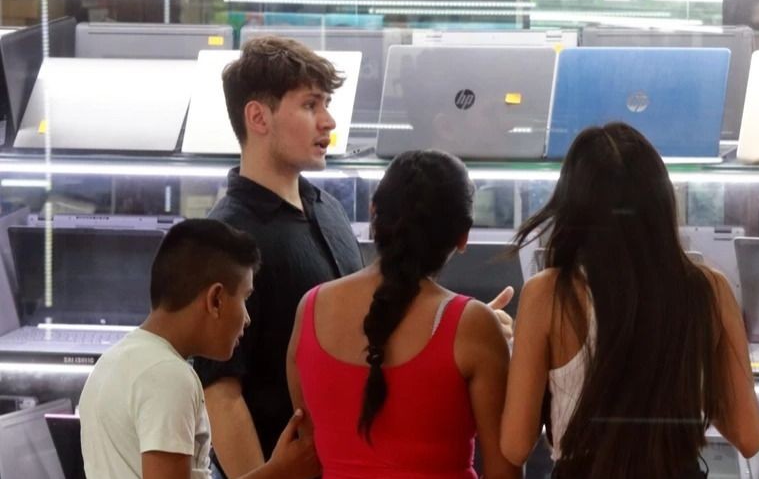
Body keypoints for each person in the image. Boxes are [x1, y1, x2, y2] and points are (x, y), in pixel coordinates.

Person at [500, 122, 759, 478]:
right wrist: (690, 378)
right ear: (661, 202)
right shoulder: (709, 290)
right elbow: (749, 436)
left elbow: (515, 445)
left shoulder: (548, 293)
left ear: (574, 207)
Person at [193, 36, 366, 478]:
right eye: (310, 105)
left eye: (326, 104)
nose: (328, 121)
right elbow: (221, 394)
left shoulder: (330, 209)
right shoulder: (224, 238)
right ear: (258, 117)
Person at [286, 150, 519, 479]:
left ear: (374, 212)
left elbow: (307, 448)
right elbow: (504, 471)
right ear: (463, 236)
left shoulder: (310, 307)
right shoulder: (473, 326)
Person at [79, 219, 320, 479]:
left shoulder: (111, 362)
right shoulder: (169, 376)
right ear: (216, 300)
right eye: (245, 298)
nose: (247, 318)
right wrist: (279, 472)